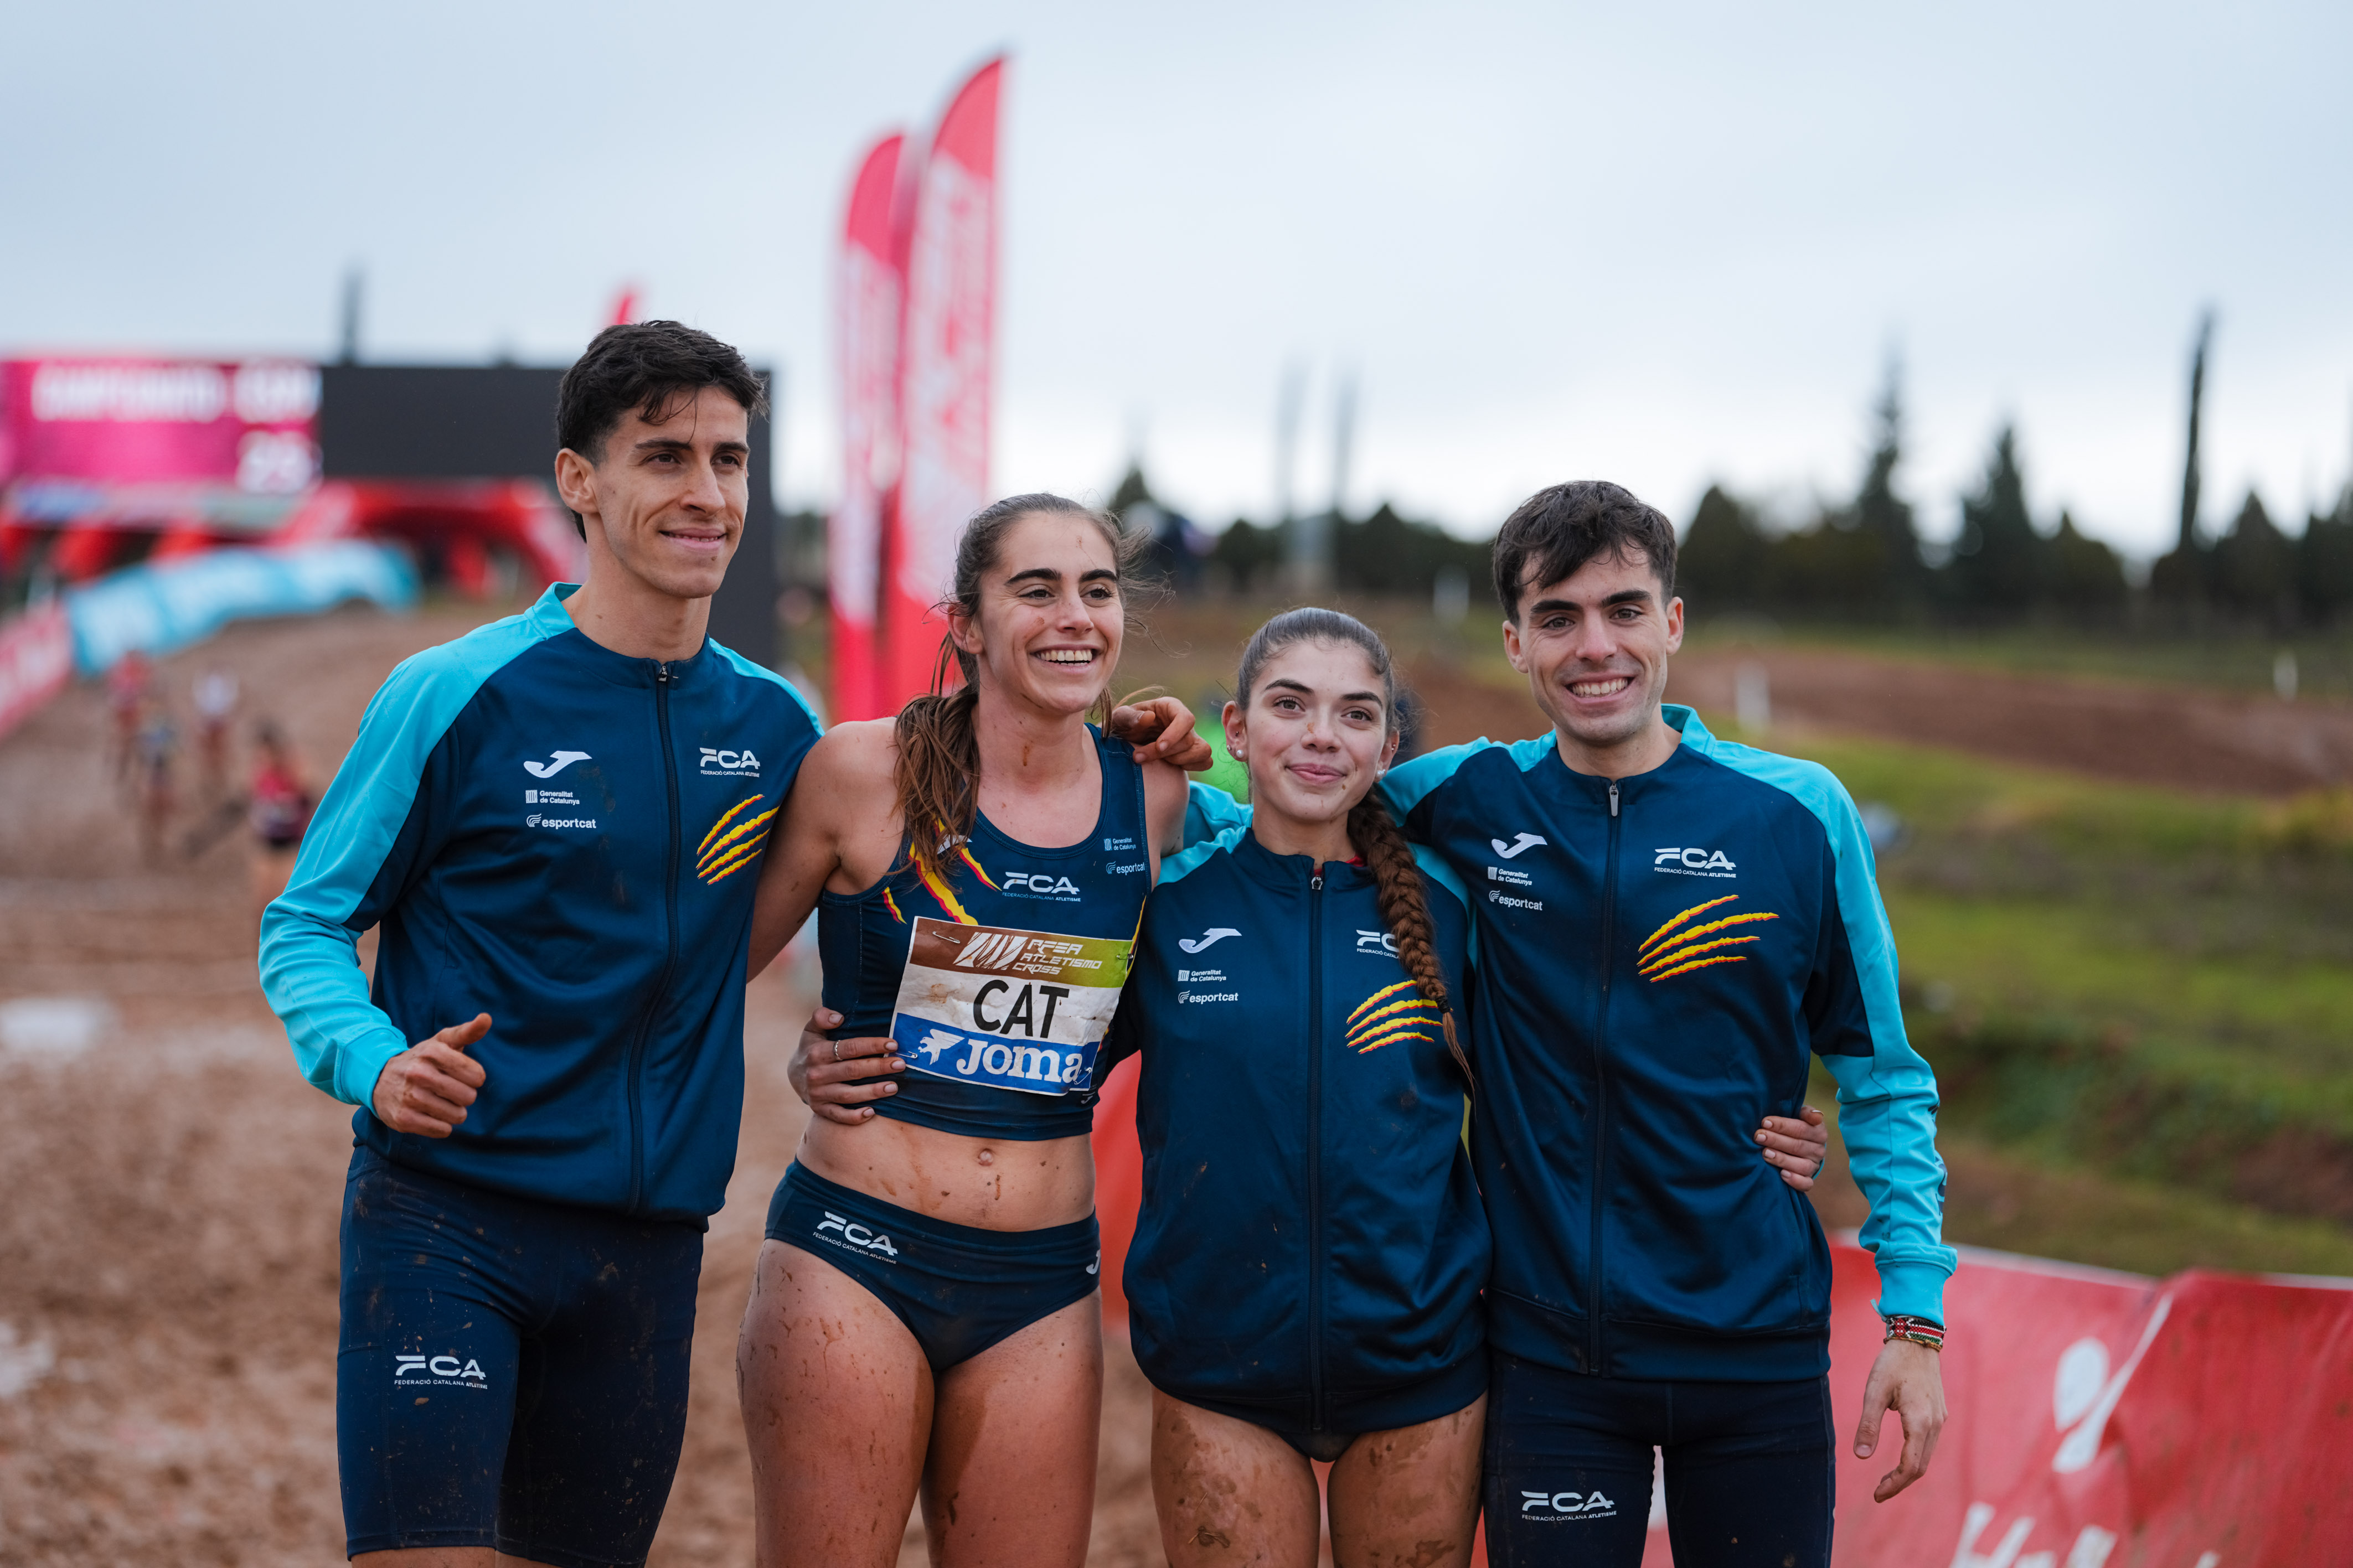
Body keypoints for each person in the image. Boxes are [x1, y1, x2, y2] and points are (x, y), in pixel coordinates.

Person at [258, 322, 825, 1568]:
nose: (707, 492)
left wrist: (1171, 780)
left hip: (648, 1249)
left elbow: (917, 850)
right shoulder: (457, 691)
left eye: (729, 459)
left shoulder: (780, 724)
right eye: (664, 457)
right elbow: (305, 921)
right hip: (446, 1219)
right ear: (580, 479)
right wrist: (372, 1059)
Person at [1374, 482, 1949, 1566]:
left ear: (1672, 623)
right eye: (1558, 617)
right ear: (1515, 644)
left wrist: (1914, 1319)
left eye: (1624, 609)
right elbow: (1286, 815)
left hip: (1756, 1356)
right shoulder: (1465, 798)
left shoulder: (1799, 813)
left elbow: (1882, 1079)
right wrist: (1160, 771)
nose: (1596, 646)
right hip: (1551, 1360)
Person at [734, 494, 1198, 1568]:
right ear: (967, 623)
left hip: (1043, 1283)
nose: (1074, 615)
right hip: (855, 1251)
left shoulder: (1157, 797)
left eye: (1096, 589)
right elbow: (714, 968)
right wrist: (801, 1052)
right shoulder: (862, 772)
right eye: (1036, 589)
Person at [1102, 608, 1489, 1567]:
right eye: (1290, 705)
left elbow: (1576, 1070)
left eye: (1356, 714)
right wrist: (840, 1047)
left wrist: (1759, 1119)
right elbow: (1038, 1059)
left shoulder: (1455, 908)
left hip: (1421, 1366)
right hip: (1217, 1365)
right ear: (1235, 730)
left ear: (1387, 748)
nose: (1322, 735)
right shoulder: (1166, 896)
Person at [246, 719, 313, 924]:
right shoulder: (260, 776)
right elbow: (255, 805)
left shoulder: (294, 772)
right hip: (267, 845)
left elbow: (309, 798)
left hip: (291, 846)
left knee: (288, 901)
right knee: (262, 905)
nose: (262, 758)